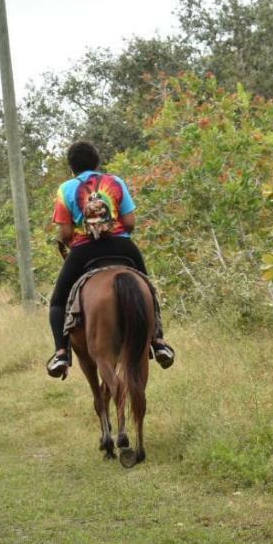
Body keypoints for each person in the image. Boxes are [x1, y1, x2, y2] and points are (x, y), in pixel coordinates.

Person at [46, 140, 174, 378]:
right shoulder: (115, 182)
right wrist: (117, 235)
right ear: (97, 162)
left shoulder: (66, 189)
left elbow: (64, 233)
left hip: (84, 250)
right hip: (122, 246)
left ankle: (61, 352)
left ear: (71, 167)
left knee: (57, 302)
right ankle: (158, 341)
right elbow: (130, 222)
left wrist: (75, 241)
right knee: (148, 288)